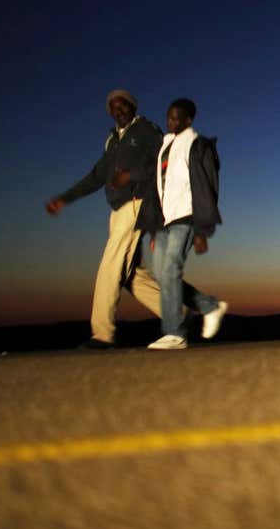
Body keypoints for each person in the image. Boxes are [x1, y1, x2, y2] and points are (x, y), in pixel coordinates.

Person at [45, 89, 211, 348]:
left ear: (133, 107)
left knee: (111, 264)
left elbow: (164, 160)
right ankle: (179, 313)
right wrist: (65, 198)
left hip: (138, 203)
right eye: (112, 107)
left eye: (122, 105)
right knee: (132, 276)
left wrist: (133, 176)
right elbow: (96, 176)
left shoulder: (145, 130)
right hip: (118, 209)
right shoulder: (112, 140)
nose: (117, 110)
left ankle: (102, 334)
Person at [136, 98, 229, 350]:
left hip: (187, 217)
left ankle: (175, 333)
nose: (171, 121)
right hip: (164, 221)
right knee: (161, 273)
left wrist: (202, 230)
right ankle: (209, 306)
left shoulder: (199, 146)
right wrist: (154, 227)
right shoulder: (165, 145)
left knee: (170, 270)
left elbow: (208, 187)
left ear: (189, 120)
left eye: (177, 117)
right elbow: (159, 187)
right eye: (169, 117)